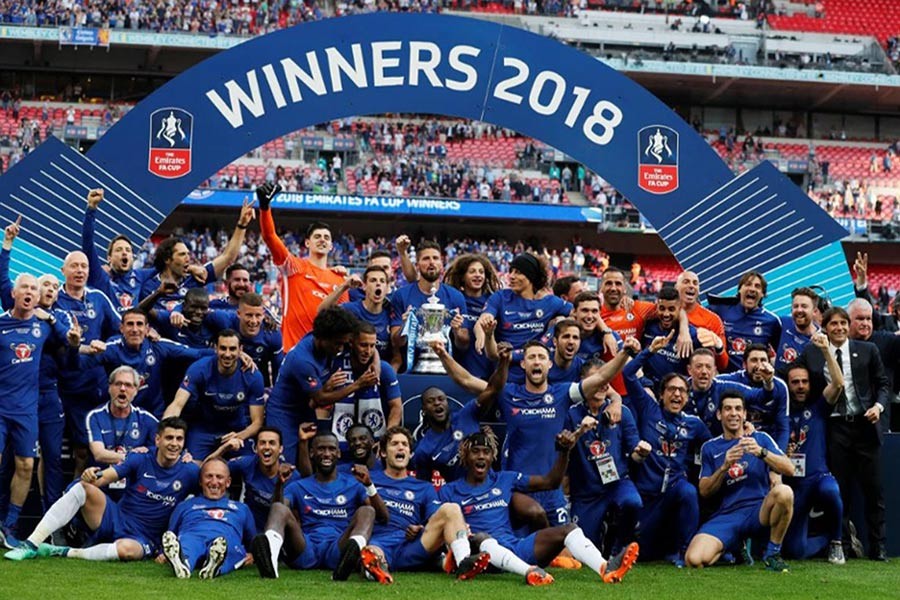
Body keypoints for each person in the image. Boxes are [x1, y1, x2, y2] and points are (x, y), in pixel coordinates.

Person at [439, 430, 639, 586]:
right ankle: (530, 572)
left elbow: (550, 482)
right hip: (482, 558)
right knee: (482, 537)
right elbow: (442, 525)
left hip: (515, 548)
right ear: (465, 456)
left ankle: (605, 568)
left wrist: (564, 452)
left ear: (493, 457)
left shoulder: (505, 479)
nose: (481, 457)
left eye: (486, 452)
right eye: (475, 452)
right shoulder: (450, 490)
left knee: (569, 529)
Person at [479, 339, 634, 526]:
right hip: (519, 488)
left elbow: (600, 378)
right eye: (532, 357)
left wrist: (625, 353)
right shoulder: (508, 393)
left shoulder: (563, 393)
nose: (537, 361)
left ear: (549, 364)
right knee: (524, 549)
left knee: (569, 546)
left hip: (552, 489)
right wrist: (445, 354)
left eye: (541, 357)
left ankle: (609, 555)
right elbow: (469, 382)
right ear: (523, 364)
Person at [5, 417, 199, 562]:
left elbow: (213, 476)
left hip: (144, 536)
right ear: (158, 440)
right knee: (84, 487)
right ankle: (31, 544)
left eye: (179, 439)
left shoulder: (189, 471)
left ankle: (65, 551)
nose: (174, 444)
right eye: (169, 438)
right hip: (116, 518)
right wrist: (91, 475)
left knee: (126, 551)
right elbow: (104, 477)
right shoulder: (140, 458)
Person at [799, 306, 891, 561]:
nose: (839, 328)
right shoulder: (812, 352)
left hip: (865, 425)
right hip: (835, 427)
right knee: (841, 490)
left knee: (874, 491)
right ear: (825, 328)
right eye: (833, 324)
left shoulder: (868, 350)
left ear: (848, 325)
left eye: (843, 323)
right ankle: (844, 545)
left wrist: (878, 406)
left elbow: (883, 384)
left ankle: (879, 545)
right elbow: (794, 374)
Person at [0, 272, 80, 548]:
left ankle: (9, 527)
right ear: (13, 293)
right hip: (1, 407)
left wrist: (53, 319)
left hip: (27, 411)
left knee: (26, 466)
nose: (30, 292)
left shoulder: (42, 326)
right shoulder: (1, 324)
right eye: (24, 287)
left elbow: (68, 341)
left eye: (34, 289)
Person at [359, 426, 492, 583]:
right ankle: (377, 569)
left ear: (409, 453)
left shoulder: (424, 487)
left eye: (405, 444)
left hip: (411, 545)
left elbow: (434, 520)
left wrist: (419, 529)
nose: (400, 447)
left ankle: (463, 563)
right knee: (371, 553)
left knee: (451, 509)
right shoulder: (368, 479)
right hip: (380, 542)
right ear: (383, 452)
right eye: (394, 444)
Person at [250, 432, 388, 580]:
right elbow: (277, 511)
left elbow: (383, 517)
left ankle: (352, 554)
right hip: (305, 548)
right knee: (279, 508)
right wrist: (279, 484)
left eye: (331, 449)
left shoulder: (353, 484)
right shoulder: (299, 486)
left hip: (338, 547)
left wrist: (368, 484)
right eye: (321, 449)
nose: (326, 454)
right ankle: (270, 561)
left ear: (338, 453)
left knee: (367, 510)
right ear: (312, 452)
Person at [622, 337, 711, 566]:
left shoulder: (693, 424)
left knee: (689, 491)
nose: (677, 395)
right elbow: (629, 375)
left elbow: (712, 445)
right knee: (644, 553)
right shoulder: (648, 409)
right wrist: (649, 351)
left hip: (673, 490)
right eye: (671, 389)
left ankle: (685, 552)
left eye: (682, 391)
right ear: (661, 394)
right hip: (646, 495)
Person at [685, 393, 795, 571]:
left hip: (758, 511)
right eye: (727, 409)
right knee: (694, 559)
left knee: (785, 493)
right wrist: (723, 467)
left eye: (738, 409)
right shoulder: (710, 447)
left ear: (745, 415)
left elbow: (789, 468)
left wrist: (762, 453)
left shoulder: (761, 439)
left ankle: (772, 554)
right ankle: (735, 547)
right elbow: (704, 491)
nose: (733, 413)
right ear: (719, 414)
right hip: (728, 514)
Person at [565, 360, 649, 555]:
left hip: (616, 482)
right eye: (597, 379)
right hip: (586, 490)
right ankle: (602, 531)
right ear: (584, 382)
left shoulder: (622, 412)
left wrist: (641, 453)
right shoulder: (571, 413)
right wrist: (579, 432)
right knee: (582, 552)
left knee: (632, 502)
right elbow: (561, 451)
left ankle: (619, 545)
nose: (603, 384)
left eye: (606, 379)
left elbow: (634, 454)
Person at [256, 182, 348, 352]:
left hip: (324, 358)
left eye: (326, 238)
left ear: (331, 246)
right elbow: (269, 236)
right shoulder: (293, 267)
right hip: (292, 351)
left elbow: (342, 320)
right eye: (317, 236)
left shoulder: (340, 280)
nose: (322, 240)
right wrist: (264, 207)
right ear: (307, 243)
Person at [55, 250, 122, 476]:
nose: (80, 271)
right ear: (63, 271)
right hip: (65, 386)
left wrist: (105, 344)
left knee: (89, 451)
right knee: (63, 451)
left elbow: (120, 330)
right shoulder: (54, 300)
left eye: (84, 266)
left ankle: (85, 499)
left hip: (96, 387)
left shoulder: (99, 298)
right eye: (74, 266)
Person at [265, 307, 360, 466]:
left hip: (305, 409)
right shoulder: (302, 360)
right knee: (286, 466)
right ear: (323, 338)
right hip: (284, 414)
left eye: (343, 344)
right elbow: (320, 399)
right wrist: (358, 384)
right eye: (338, 344)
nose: (340, 349)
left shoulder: (323, 341)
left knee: (311, 460)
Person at [76, 308, 212, 417]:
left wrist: (223, 354)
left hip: (153, 413)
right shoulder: (111, 348)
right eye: (130, 324)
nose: (135, 330)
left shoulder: (158, 345)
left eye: (139, 324)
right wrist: (76, 346)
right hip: (120, 413)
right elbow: (77, 364)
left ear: (147, 329)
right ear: (121, 328)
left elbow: (197, 353)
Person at [164, 329, 266, 460]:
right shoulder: (200, 369)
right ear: (215, 348)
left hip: (237, 429)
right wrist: (165, 432)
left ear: (240, 349)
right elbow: (177, 404)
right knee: (192, 467)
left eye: (232, 349)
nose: (228, 354)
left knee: (249, 465)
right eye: (223, 348)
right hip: (204, 429)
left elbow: (257, 422)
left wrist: (240, 436)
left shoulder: (252, 375)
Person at [138, 198, 255, 311]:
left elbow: (228, 257)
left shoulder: (196, 277)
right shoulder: (149, 286)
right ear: (167, 259)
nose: (188, 258)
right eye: (182, 254)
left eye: (188, 254)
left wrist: (242, 224)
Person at [782, 358, 845, 564]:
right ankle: (831, 539)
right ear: (787, 385)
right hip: (794, 487)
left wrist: (826, 350)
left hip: (818, 478)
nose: (800, 386)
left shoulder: (819, 408)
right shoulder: (781, 414)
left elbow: (838, 384)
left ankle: (837, 542)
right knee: (795, 551)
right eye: (795, 382)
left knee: (831, 490)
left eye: (804, 381)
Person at [162, 459, 256, 579]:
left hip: (224, 540)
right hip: (193, 535)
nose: (214, 482)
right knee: (187, 543)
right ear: (200, 481)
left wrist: (252, 554)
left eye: (219, 477)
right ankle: (183, 564)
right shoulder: (185, 505)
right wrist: (162, 553)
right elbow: (170, 534)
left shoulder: (241, 509)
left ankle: (214, 567)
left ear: (228, 482)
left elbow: (252, 541)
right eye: (209, 476)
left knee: (229, 547)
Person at [390, 240, 468, 371]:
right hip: (410, 371)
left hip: (446, 370)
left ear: (441, 263)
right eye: (426, 259)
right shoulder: (401, 296)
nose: (431, 262)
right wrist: (404, 326)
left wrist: (457, 331)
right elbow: (396, 342)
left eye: (435, 258)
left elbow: (464, 344)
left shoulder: (456, 297)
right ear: (417, 265)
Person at [324, 322, 402, 451]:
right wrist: (327, 387)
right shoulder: (336, 364)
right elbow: (320, 403)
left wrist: (386, 439)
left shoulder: (384, 369)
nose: (368, 351)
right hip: (340, 441)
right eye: (363, 345)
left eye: (372, 346)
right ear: (351, 343)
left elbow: (396, 407)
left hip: (374, 443)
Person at [475, 253, 568, 356]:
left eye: (518, 272)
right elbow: (483, 320)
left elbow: (577, 312)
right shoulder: (500, 297)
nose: (511, 276)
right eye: (511, 271)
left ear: (531, 276)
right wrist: (481, 335)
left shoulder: (549, 302)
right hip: (505, 364)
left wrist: (560, 321)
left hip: (535, 364)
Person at [86, 366, 158, 472]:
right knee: (73, 488)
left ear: (136, 391)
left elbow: (164, 449)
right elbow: (99, 454)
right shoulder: (95, 416)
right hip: (101, 478)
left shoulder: (147, 419)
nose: (123, 389)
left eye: (128, 385)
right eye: (118, 384)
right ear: (109, 387)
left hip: (134, 482)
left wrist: (185, 456)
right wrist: (134, 456)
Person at [718, 344, 789, 450]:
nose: (759, 366)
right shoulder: (728, 382)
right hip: (734, 444)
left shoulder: (780, 387)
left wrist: (779, 454)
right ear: (744, 365)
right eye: (754, 360)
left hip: (766, 445)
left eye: (763, 360)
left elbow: (783, 427)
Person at [708, 271, 781, 371]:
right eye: (748, 284)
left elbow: (781, 356)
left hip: (754, 380)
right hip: (725, 379)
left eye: (757, 286)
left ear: (763, 294)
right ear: (739, 290)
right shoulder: (721, 310)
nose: (752, 289)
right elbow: (695, 312)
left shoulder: (772, 321)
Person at [444, 253, 501, 380]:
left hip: (489, 371)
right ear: (463, 277)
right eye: (472, 271)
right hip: (460, 370)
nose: (478, 275)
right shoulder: (454, 300)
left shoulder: (494, 301)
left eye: (481, 272)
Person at [411, 385, 484, 484]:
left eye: (441, 399)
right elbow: (423, 486)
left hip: (489, 488)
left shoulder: (467, 414)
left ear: (447, 403)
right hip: (459, 494)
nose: (437, 403)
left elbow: (492, 390)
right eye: (430, 401)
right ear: (424, 409)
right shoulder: (423, 449)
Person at [322, 266, 393, 360]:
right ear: (364, 286)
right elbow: (322, 312)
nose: (378, 284)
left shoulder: (391, 314)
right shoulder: (350, 310)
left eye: (382, 281)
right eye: (373, 280)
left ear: (387, 287)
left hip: (378, 371)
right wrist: (344, 286)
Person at [675, 270, 729, 370]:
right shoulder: (665, 312)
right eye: (686, 282)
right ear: (676, 287)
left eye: (695, 283)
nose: (691, 286)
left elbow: (723, 365)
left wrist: (718, 345)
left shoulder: (712, 319)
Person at [774, 287, 820, 373]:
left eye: (804, 306)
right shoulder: (782, 323)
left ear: (814, 311)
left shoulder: (821, 339)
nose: (799, 310)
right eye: (795, 306)